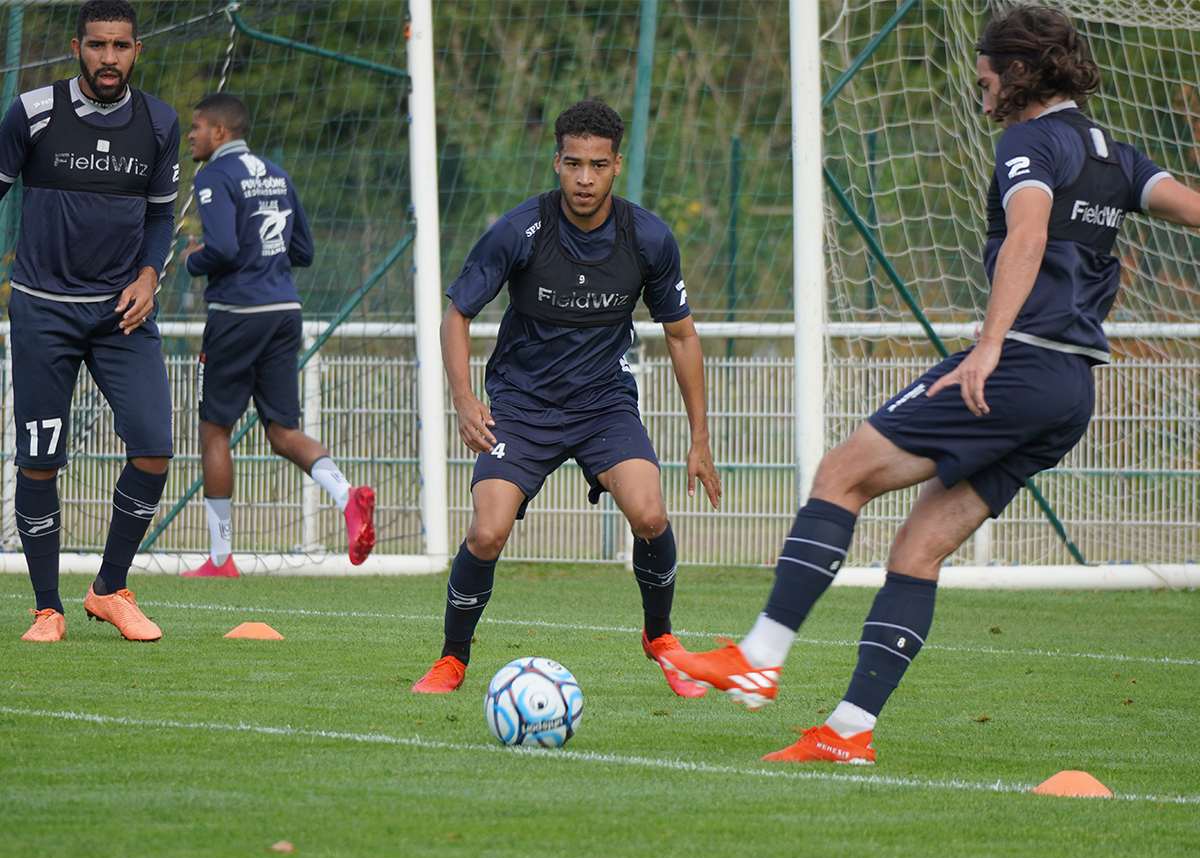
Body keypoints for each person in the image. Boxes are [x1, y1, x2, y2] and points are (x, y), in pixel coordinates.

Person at [661, 5, 1200, 762]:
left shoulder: (1030, 141)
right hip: (1073, 389)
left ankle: (758, 657)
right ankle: (848, 732)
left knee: (841, 474)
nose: (978, 88)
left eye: (985, 75)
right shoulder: (1120, 156)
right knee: (917, 548)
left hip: (1017, 363)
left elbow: (1030, 231)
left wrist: (987, 346)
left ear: (1018, 71)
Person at [413, 99, 722, 695]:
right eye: (574, 163)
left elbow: (681, 335)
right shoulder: (519, 230)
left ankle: (660, 637)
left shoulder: (649, 237)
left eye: (598, 165)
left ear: (616, 166)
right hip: (522, 407)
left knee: (651, 514)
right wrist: (463, 398)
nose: (585, 178)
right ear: (556, 162)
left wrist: (699, 440)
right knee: (486, 533)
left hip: (603, 404)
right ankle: (452, 659)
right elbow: (457, 315)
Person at [7, 0, 181, 643]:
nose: (110, 58)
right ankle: (47, 608)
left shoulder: (160, 122)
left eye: (122, 46)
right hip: (42, 313)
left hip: (121, 315)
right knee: (40, 462)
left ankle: (108, 589)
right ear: (77, 47)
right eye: (98, 45)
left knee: (155, 446)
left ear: (137, 49)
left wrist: (149, 275)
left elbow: (161, 217)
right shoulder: (32, 112)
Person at [178, 92, 375, 577]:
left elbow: (221, 248)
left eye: (197, 127)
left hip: (237, 314)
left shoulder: (213, 176)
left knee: (214, 430)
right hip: (285, 310)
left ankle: (221, 558)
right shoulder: (277, 174)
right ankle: (347, 495)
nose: (191, 135)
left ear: (220, 133)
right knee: (283, 432)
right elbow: (302, 250)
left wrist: (192, 259)